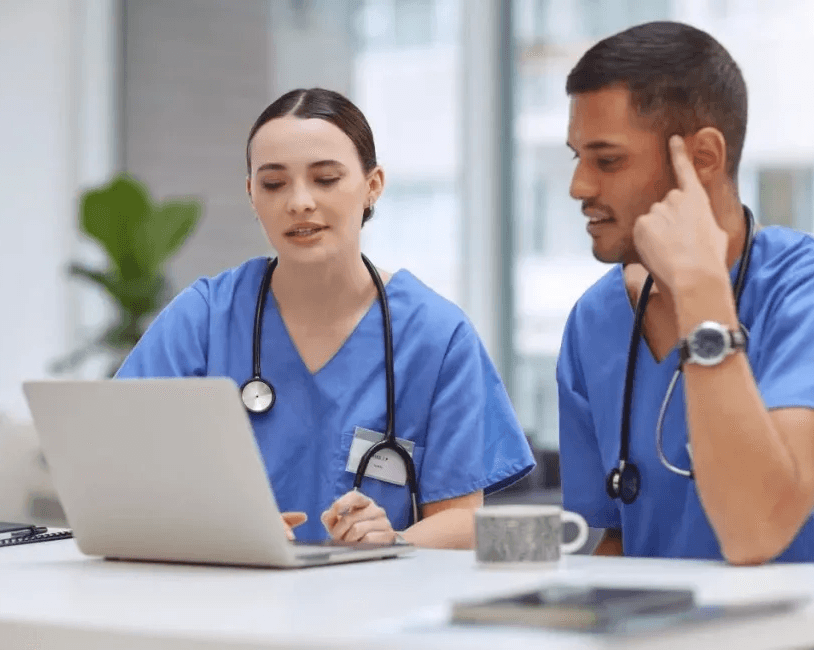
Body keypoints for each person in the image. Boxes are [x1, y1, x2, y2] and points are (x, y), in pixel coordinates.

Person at [556, 21, 814, 565]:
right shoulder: (597, 320)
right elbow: (617, 541)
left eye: (607, 160)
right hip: (675, 616)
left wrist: (699, 290)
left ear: (704, 157)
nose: (579, 187)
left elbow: (755, 530)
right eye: (577, 158)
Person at [115, 87, 534, 548]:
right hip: (231, 584)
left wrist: (393, 541)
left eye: (326, 179)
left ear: (373, 185)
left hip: (372, 590)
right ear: (251, 194)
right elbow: (121, 465)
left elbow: (461, 519)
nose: (299, 202)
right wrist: (220, 526)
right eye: (274, 184)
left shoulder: (436, 335)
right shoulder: (204, 318)